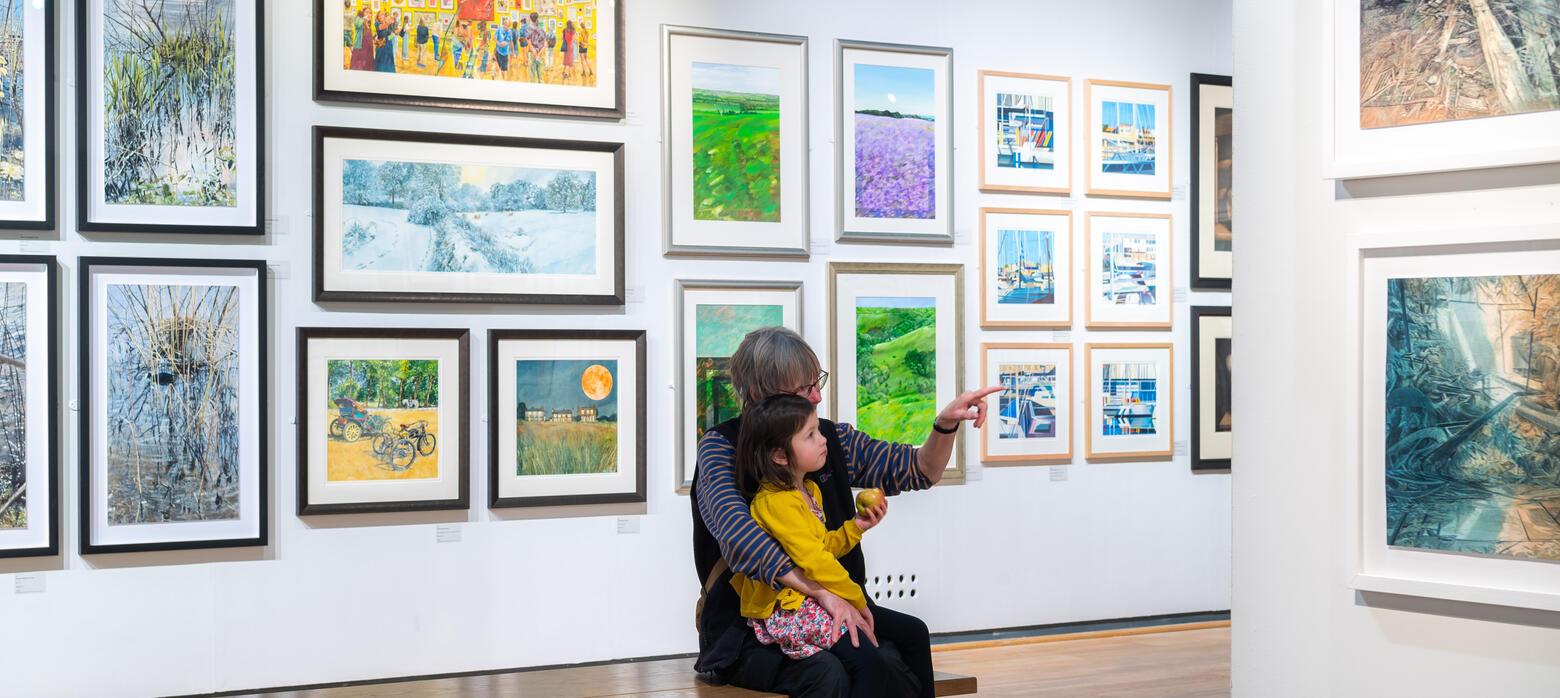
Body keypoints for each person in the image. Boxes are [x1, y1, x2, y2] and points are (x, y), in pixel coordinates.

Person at [692, 327, 1000, 697]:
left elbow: (920, 469)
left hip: (835, 609)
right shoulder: (721, 448)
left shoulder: (828, 438)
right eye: (802, 390)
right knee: (830, 673)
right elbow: (739, 537)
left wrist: (945, 424)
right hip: (750, 628)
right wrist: (823, 593)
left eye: (816, 382)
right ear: (759, 396)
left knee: (894, 655)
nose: (817, 396)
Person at [731, 394, 896, 696]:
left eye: (818, 430)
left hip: (811, 601)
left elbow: (821, 547)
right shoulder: (775, 502)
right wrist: (857, 600)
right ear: (780, 456)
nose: (823, 441)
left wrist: (856, 527)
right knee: (869, 663)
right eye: (810, 435)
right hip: (792, 608)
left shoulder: (809, 490)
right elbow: (815, 561)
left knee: (911, 633)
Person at [525, 13, 547, 83]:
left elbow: (529, 42)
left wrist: (533, 51)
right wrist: (539, 53)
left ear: (530, 19)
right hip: (540, 53)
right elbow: (545, 44)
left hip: (532, 53)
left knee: (532, 74)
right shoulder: (542, 30)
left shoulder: (528, 29)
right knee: (540, 74)